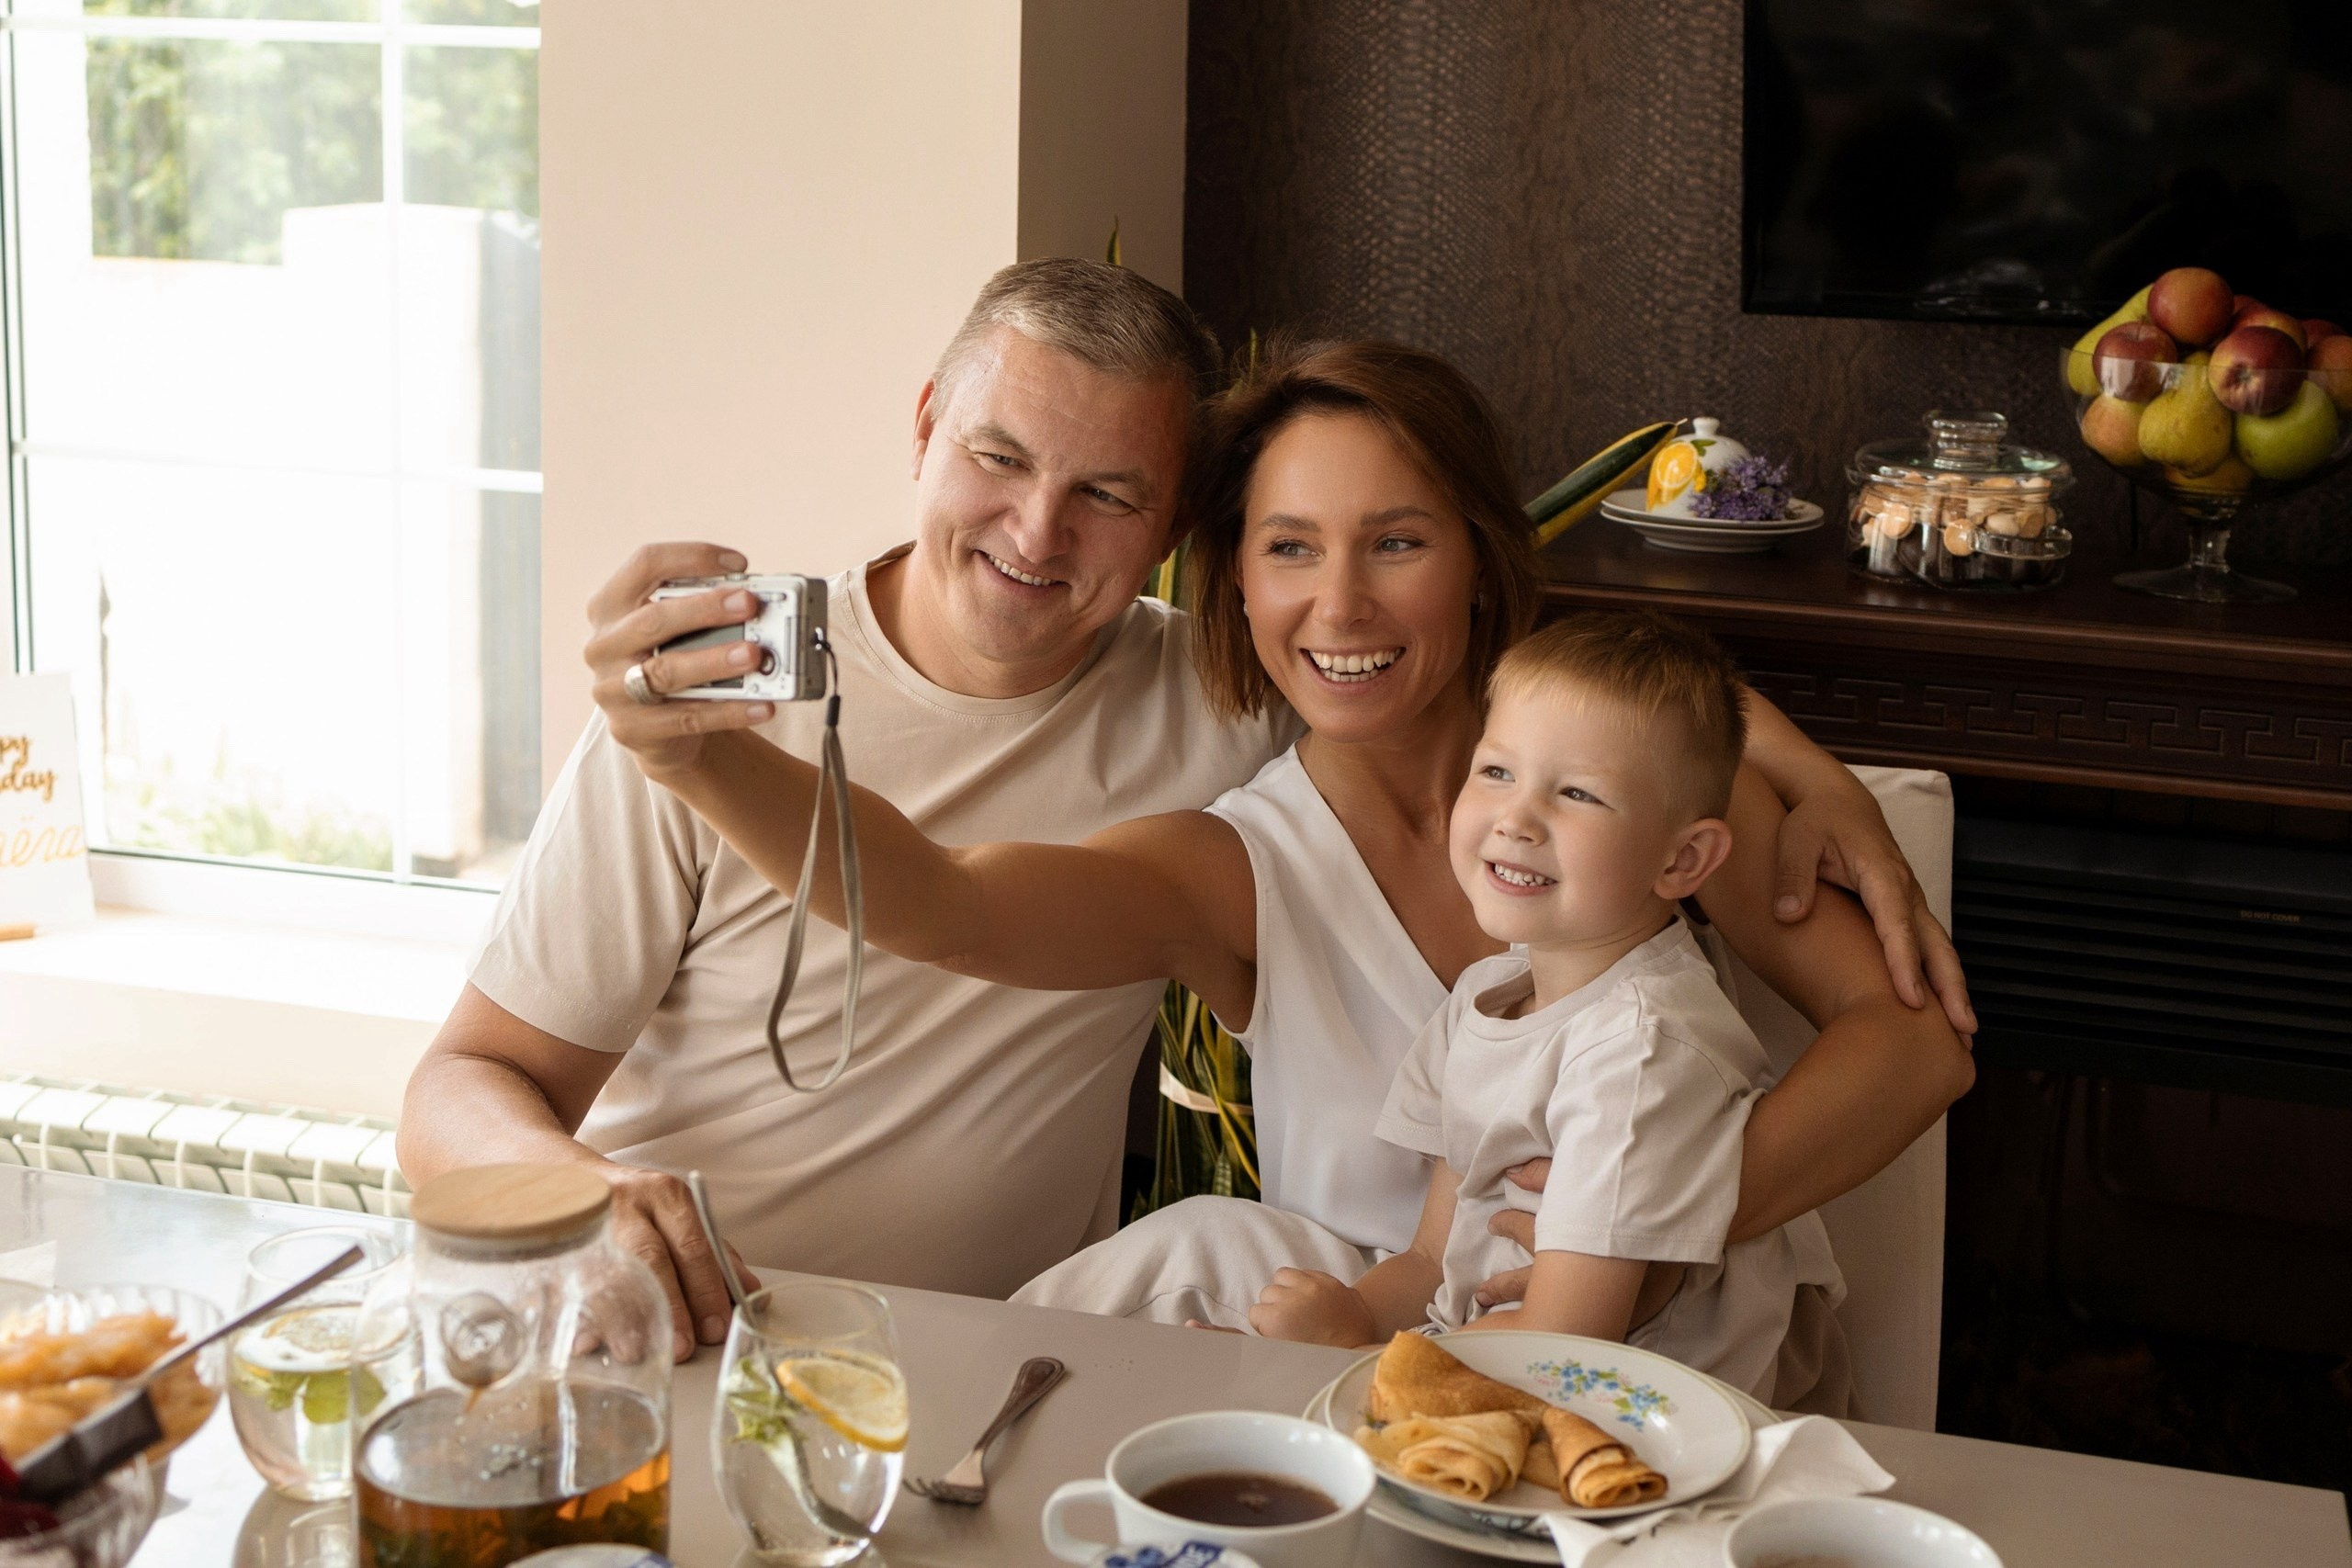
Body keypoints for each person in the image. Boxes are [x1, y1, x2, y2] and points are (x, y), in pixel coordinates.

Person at [593, 335, 1974, 1396]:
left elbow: (1917, 1050)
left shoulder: (1631, 779)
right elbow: (948, 904)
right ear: (1235, 584)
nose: (1343, 602)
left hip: (1698, 1380)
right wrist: (693, 758)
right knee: (1189, 1250)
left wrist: (1629, 1224)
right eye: (1290, 548)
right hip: (1375, 1348)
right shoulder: (1237, 862)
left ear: (1480, 562)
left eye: (1399, 542)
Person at [1246, 611, 1843, 1406]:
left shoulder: (1642, 1047)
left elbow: (1566, 1340)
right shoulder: (1486, 997)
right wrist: (1355, 1310)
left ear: (1682, 858)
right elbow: (1431, 1260)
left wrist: (1352, 1352)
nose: (1517, 818)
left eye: (1577, 793)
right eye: (1495, 772)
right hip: (1504, 1371)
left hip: (1647, 1420)